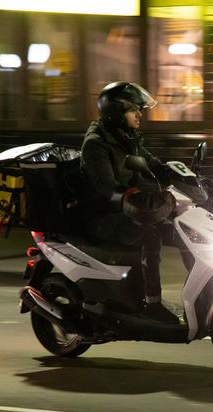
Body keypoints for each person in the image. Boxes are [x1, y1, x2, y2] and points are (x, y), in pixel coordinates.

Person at [79, 81, 178, 324]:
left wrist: (176, 174)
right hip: (101, 216)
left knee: (175, 226)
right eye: (133, 109)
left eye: (140, 109)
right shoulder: (96, 144)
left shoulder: (124, 137)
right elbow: (107, 189)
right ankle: (152, 304)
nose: (139, 114)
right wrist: (133, 198)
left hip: (121, 210)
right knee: (150, 236)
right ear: (115, 112)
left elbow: (151, 162)